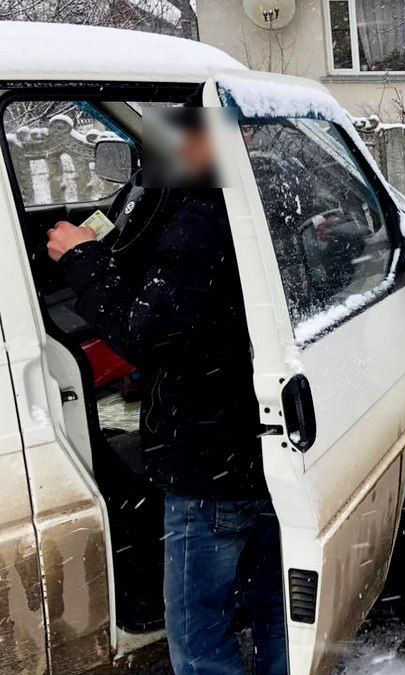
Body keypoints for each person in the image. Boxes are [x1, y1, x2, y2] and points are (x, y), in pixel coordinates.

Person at [46, 106, 286, 675]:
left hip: (208, 467)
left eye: (183, 132)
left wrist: (82, 259)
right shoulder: (262, 195)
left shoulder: (202, 217)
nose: (170, 146)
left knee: (199, 640)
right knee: (275, 609)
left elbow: (145, 335)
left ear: (222, 135)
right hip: (264, 445)